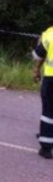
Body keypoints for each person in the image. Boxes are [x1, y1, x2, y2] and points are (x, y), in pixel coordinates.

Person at [33, 21, 53, 159]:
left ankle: (46, 149)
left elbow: (38, 54)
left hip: (51, 79)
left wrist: (36, 70)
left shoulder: (50, 34)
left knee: (48, 112)